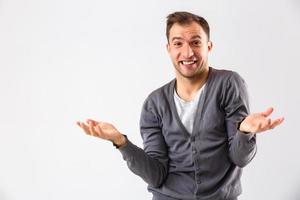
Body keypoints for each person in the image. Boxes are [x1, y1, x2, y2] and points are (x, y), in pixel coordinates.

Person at [76, 11, 284, 200]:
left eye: (195, 42)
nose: (187, 53)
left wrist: (245, 131)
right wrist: (120, 141)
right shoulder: (154, 104)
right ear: (168, 49)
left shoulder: (228, 84)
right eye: (178, 43)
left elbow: (239, 158)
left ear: (208, 46)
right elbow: (156, 176)